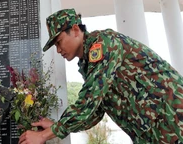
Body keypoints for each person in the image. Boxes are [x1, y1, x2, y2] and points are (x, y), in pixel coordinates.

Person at [18, 8, 183, 144]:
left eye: (59, 41)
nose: (58, 50)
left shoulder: (104, 42)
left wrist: (43, 135)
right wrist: (56, 127)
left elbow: (90, 99)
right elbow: (94, 112)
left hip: (173, 119)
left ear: (75, 30)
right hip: (153, 132)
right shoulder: (87, 63)